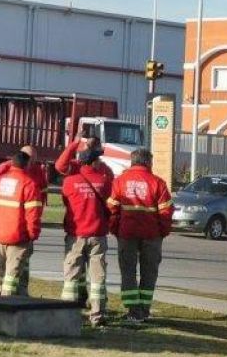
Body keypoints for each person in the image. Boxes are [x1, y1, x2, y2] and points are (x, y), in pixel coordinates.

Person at [107, 149, 173, 323]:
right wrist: (162, 232)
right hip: (152, 236)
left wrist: (116, 229)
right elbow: (166, 213)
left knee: (128, 272)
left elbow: (112, 210)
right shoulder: (158, 183)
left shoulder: (120, 181)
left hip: (126, 234)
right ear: (148, 163)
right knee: (149, 273)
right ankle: (144, 309)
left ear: (132, 161)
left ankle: (132, 310)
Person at [60, 140, 114, 327]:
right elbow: (110, 204)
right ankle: (97, 315)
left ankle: (66, 314)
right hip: (98, 235)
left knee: (71, 276)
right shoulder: (104, 181)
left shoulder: (69, 182)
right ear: (93, 162)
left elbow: (67, 204)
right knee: (97, 277)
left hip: (75, 236)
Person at [0, 151, 42, 296]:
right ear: (27, 165)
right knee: (12, 273)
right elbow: (33, 214)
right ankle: (6, 301)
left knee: (1, 271)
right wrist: (32, 234)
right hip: (18, 236)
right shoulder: (29, 184)